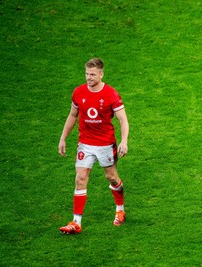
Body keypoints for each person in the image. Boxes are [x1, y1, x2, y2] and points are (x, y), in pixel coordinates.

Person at [58, 58, 129, 234]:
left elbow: (123, 120)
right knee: (80, 178)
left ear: (101, 74)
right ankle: (76, 222)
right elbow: (72, 116)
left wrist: (124, 140)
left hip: (105, 143)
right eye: (86, 74)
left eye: (92, 74)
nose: (88, 78)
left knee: (112, 178)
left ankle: (120, 209)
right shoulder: (78, 92)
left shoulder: (111, 94)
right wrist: (63, 138)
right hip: (85, 143)